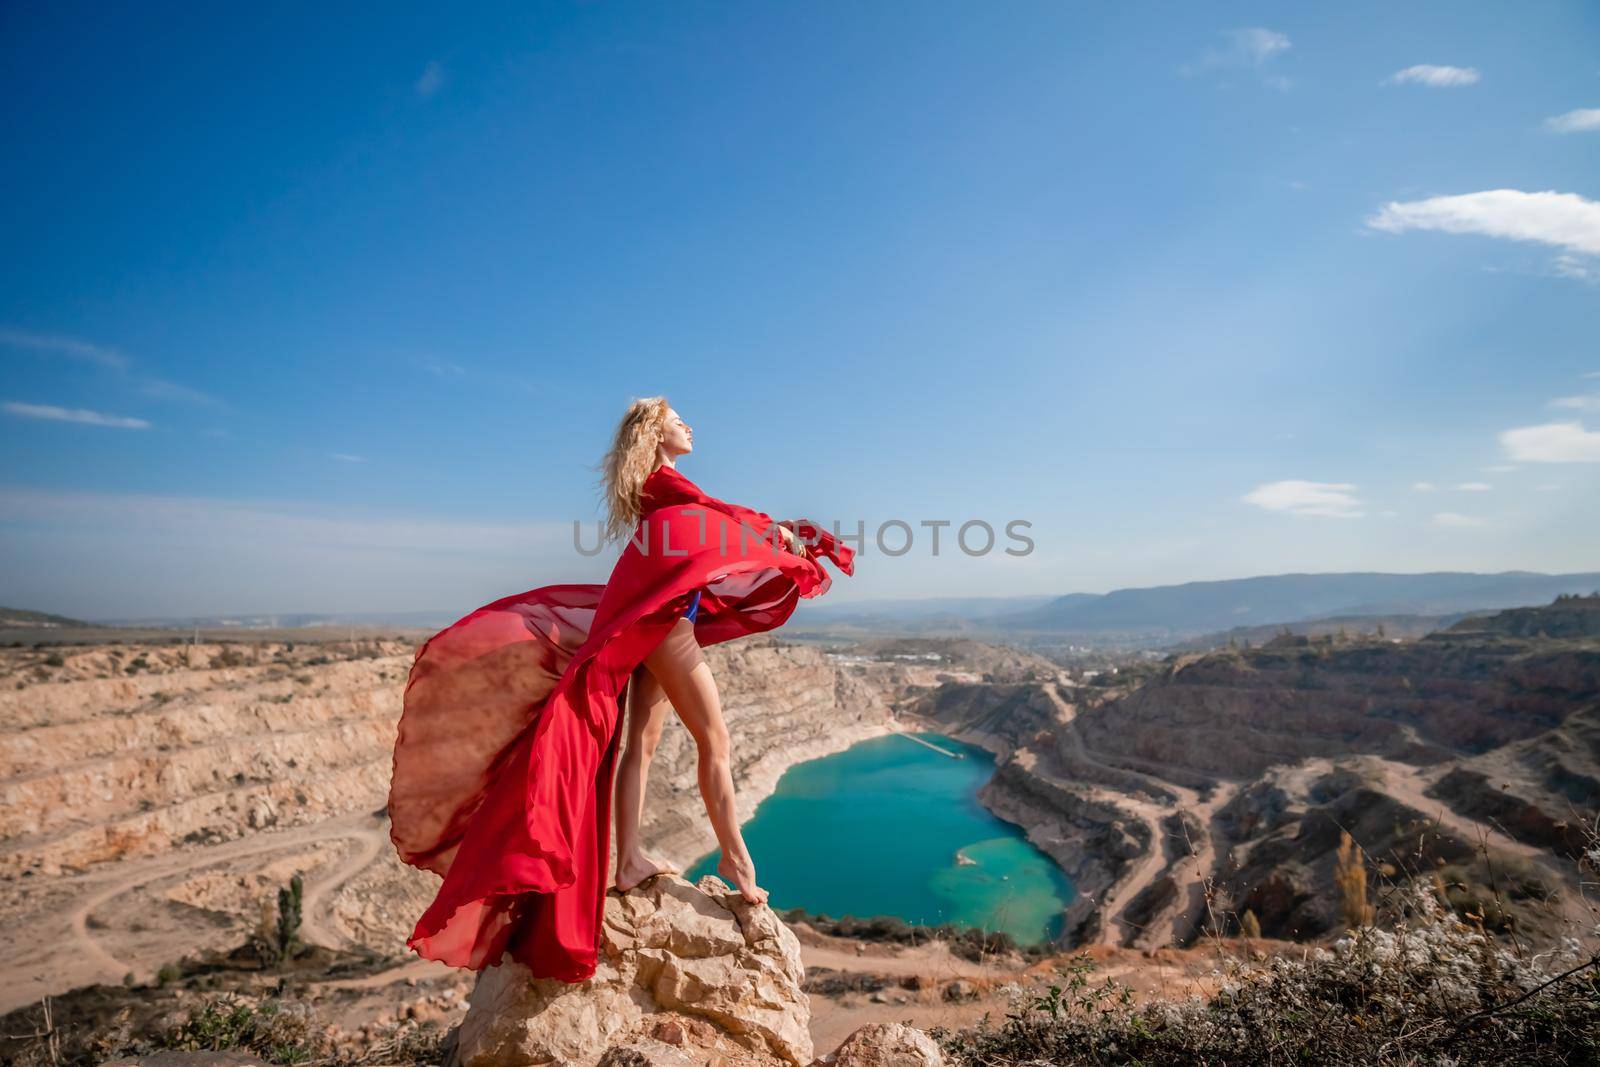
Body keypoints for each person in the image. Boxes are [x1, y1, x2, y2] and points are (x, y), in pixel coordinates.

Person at [385, 395, 855, 983]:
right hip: (666, 632)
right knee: (717, 743)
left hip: (652, 630)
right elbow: (729, 519)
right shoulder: (667, 485)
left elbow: (714, 528)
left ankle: (629, 860)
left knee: (640, 747)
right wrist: (787, 535)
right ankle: (740, 865)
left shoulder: (659, 488)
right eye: (679, 419)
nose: (691, 425)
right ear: (654, 430)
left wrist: (780, 536)